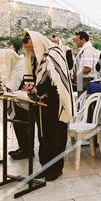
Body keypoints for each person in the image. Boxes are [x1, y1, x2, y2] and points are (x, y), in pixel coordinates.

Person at [22, 30, 74, 181]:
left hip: (56, 102)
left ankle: (56, 169)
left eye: (32, 47)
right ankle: (45, 166)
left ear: (38, 43)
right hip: (42, 102)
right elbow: (34, 77)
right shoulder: (37, 57)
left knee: (56, 136)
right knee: (44, 135)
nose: (31, 51)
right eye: (28, 49)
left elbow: (55, 80)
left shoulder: (54, 52)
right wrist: (30, 88)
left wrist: (38, 89)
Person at [0, 40, 35, 160]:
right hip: (19, 99)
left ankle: (27, 150)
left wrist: (4, 88)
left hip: (23, 100)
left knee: (23, 126)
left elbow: (16, 80)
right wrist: (2, 88)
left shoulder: (22, 61)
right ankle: (23, 148)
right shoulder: (20, 61)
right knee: (18, 125)